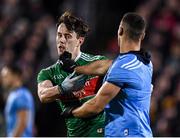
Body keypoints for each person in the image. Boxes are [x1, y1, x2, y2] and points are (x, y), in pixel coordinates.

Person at [63, 12, 153, 137]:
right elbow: (105, 66)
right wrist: (75, 68)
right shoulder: (145, 63)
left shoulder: (122, 67)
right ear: (142, 36)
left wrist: (71, 112)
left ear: (120, 30)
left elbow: (95, 106)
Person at [37, 11, 108, 137]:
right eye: (59, 35)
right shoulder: (48, 72)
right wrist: (62, 88)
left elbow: (115, 67)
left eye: (68, 36)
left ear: (80, 41)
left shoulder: (96, 62)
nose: (62, 40)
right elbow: (43, 95)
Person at [0, 65, 35, 137]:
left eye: (5, 76)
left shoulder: (21, 95)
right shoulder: (13, 95)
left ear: (15, 76)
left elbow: (22, 123)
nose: (2, 79)